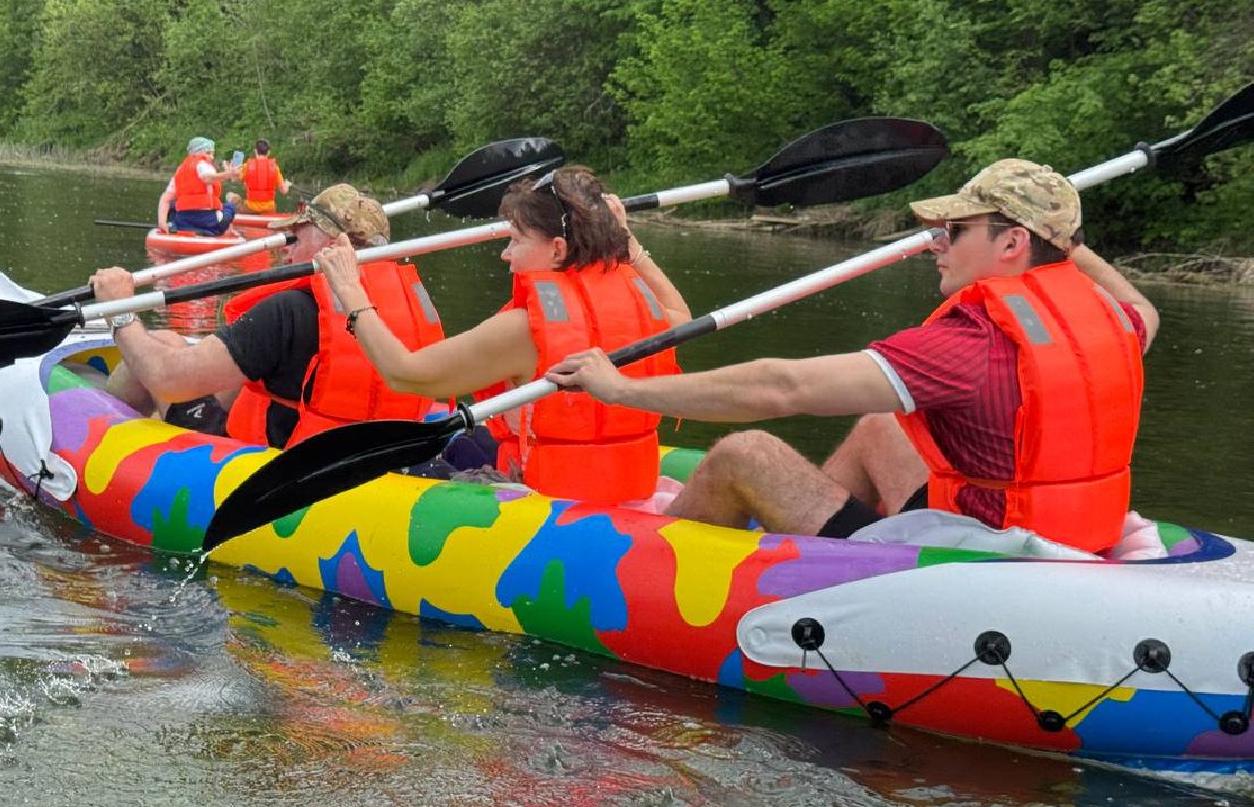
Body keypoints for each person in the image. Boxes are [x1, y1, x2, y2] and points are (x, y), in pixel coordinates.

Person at [548, 159, 1160, 554]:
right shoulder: (1117, 318)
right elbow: (1146, 312)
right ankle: (803, 559)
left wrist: (618, 387)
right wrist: (1067, 244)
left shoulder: (970, 345)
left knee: (745, 453)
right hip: (1061, 530)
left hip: (992, 556)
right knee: (879, 428)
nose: (937, 245)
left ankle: (656, 571)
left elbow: (779, 388)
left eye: (957, 232)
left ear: (1012, 242)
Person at [315, 167, 692, 504]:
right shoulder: (645, 306)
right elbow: (683, 314)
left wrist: (350, 290)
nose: (505, 255)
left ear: (557, 249)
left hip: (551, 511)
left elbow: (402, 373)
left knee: (403, 466)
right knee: (469, 442)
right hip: (627, 492)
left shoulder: (524, 330)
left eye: (516, 240)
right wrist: (629, 244)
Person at [91, 184, 444, 448]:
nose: (287, 254)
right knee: (180, 345)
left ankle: (97, 440)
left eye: (295, 238)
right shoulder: (412, 308)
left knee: (159, 347)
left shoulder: (287, 311)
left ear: (333, 246)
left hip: (270, 465)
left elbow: (166, 379)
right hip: (368, 453)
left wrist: (120, 310)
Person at [156, 136, 242, 236]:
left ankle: (175, 226)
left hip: (183, 222)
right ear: (197, 153)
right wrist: (228, 174)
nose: (212, 157)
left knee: (172, 205)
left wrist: (162, 222)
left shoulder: (180, 171)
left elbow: (165, 199)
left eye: (212, 153)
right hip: (207, 222)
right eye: (208, 153)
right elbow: (207, 178)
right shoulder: (203, 164)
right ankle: (222, 231)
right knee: (230, 207)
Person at [235, 139, 291, 214]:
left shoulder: (247, 166)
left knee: (231, 196)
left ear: (255, 151)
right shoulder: (275, 168)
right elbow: (284, 191)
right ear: (268, 152)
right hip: (269, 209)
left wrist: (228, 168)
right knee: (273, 206)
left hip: (250, 208)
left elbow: (235, 179)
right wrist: (286, 184)